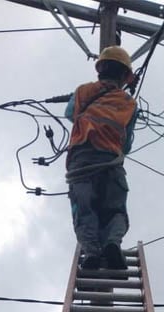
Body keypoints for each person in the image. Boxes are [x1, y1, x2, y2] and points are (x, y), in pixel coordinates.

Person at [65, 46, 139, 271]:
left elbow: (70, 114)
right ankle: (112, 244)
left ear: (100, 70)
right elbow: (126, 145)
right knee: (115, 210)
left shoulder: (82, 92)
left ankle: (91, 252)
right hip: (111, 162)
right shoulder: (129, 104)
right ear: (125, 76)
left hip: (82, 161)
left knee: (85, 209)